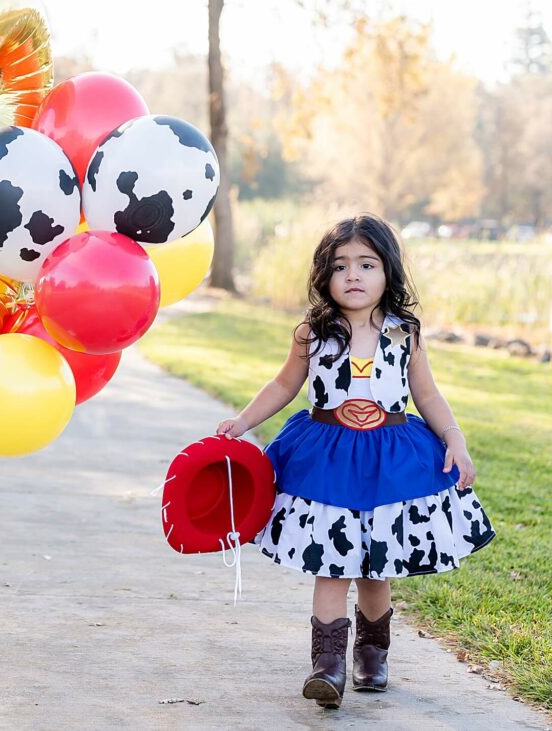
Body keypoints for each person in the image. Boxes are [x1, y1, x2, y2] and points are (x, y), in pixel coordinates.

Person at [216, 214, 495, 709]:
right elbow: (284, 385)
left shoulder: (403, 333)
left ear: (388, 272)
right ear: (325, 275)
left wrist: (455, 438)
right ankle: (328, 665)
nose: (353, 275)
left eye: (367, 264)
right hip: (328, 456)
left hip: (389, 458)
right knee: (332, 563)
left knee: (375, 567)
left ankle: (372, 652)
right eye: (340, 265)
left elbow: (426, 395)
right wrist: (240, 422)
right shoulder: (313, 331)